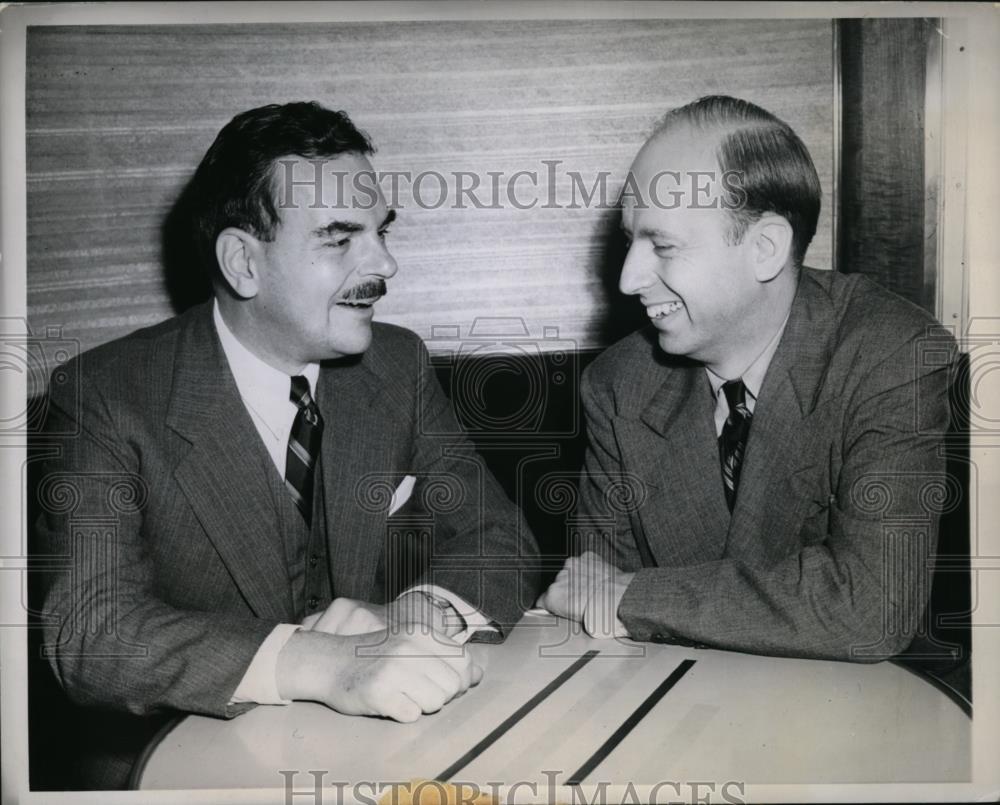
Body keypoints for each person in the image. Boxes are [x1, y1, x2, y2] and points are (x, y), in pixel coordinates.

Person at [35, 101, 540, 787]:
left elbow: (499, 535)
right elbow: (90, 632)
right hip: (172, 768)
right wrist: (321, 662)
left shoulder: (396, 365)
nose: (384, 262)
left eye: (380, 232)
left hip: (378, 756)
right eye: (341, 239)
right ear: (243, 262)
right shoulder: (104, 394)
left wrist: (422, 610)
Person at [539, 95, 956, 661]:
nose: (629, 279)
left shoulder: (891, 354)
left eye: (661, 245)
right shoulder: (619, 383)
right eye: (629, 240)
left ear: (764, 249)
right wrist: (620, 597)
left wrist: (634, 595)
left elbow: (871, 609)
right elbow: (589, 598)